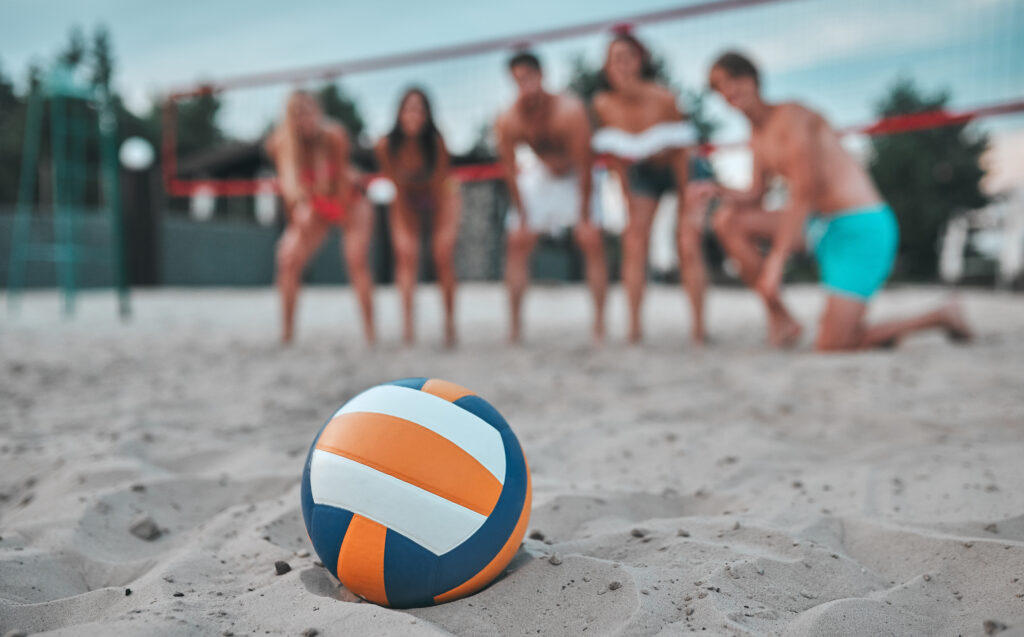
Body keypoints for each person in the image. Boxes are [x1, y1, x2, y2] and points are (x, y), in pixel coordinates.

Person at [708, 51, 972, 351]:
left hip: (861, 226)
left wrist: (776, 261)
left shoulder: (793, 116)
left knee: (833, 344)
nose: (729, 90)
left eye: (734, 79)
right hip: (819, 225)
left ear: (753, 79)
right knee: (727, 219)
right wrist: (715, 189)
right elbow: (756, 194)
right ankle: (780, 317)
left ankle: (940, 315)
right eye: (720, 87)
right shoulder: (756, 136)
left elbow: (805, 190)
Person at [592, 31, 713, 345]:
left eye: (626, 58)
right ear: (607, 67)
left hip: (681, 168)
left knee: (687, 241)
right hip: (642, 170)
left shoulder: (664, 98)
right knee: (634, 239)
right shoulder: (603, 104)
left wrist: (687, 204)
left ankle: (699, 331)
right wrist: (628, 200)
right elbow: (616, 159)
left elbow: (682, 153)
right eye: (614, 60)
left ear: (639, 62)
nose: (621, 66)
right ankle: (634, 330)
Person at [495, 51, 608, 344]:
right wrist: (521, 215)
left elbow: (585, 167)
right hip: (541, 175)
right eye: (518, 79)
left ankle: (599, 326)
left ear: (541, 76)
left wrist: (583, 217)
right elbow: (510, 172)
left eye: (529, 77)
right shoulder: (510, 119)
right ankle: (515, 328)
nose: (525, 84)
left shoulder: (569, 110)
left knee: (591, 238)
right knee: (517, 240)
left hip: (575, 176)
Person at [265, 91, 375, 345]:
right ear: (290, 118)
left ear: (319, 111)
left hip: (350, 199)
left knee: (356, 258)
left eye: (309, 109)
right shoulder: (280, 143)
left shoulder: (335, 136)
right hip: (318, 202)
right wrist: (300, 216)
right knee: (287, 257)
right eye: (298, 112)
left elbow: (339, 189)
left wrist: (329, 213)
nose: (305, 117)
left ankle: (370, 335)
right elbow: (290, 192)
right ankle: (287, 335)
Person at [375, 88, 461, 347]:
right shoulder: (386, 145)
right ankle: (408, 329)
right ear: (399, 114)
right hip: (406, 200)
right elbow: (398, 188)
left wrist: (435, 226)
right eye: (409, 108)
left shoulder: (436, 142)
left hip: (441, 195)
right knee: (407, 255)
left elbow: (439, 186)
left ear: (427, 114)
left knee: (442, 254)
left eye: (419, 109)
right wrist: (407, 226)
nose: (414, 114)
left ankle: (449, 326)